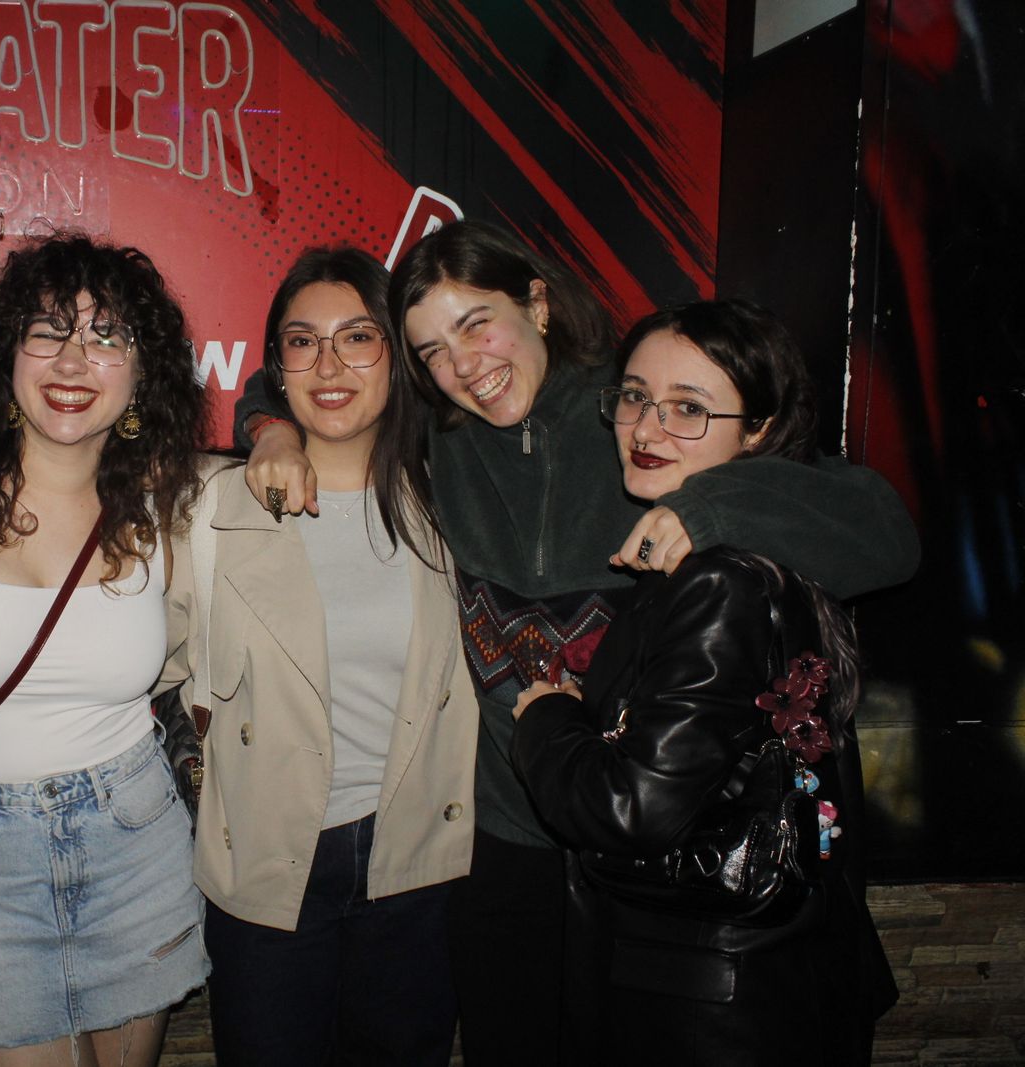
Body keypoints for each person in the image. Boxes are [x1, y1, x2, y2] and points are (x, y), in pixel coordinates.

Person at [233, 220, 918, 1063]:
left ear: (539, 303)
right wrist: (271, 429)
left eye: (478, 323)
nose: (465, 365)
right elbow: (301, 378)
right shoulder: (436, 439)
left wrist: (708, 509)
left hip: (651, 858)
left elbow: (885, 528)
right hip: (501, 848)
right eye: (434, 350)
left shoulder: (638, 418)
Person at [510, 299, 898, 1064]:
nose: (648, 429)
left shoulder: (724, 578)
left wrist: (545, 719)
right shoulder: (750, 553)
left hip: (706, 998)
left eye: (688, 408)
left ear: (756, 430)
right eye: (634, 397)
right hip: (746, 973)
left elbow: (633, 808)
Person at [162, 247, 477, 1066]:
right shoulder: (208, 508)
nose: (329, 364)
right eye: (303, 341)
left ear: (397, 357)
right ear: (277, 366)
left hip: (416, 867)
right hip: (269, 872)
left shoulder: (458, 508)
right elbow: (149, 672)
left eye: (358, 338)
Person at [0, 233, 210, 1067]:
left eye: (107, 335)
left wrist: (273, 434)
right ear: (6, 352)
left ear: (142, 372)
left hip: (133, 837)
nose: (75, 359)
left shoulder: (167, 501)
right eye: (48, 329)